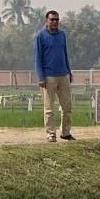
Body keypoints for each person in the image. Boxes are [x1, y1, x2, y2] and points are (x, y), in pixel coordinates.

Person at [34, 8, 75, 142]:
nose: (55, 22)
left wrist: (69, 71)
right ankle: (51, 134)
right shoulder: (41, 36)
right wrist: (41, 77)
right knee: (49, 108)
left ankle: (65, 132)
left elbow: (65, 54)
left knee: (67, 106)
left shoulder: (62, 35)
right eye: (52, 19)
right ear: (47, 20)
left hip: (63, 74)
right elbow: (38, 58)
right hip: (48, 76)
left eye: (57, 19)